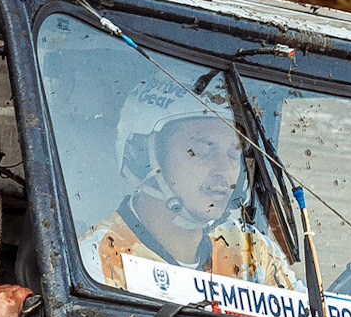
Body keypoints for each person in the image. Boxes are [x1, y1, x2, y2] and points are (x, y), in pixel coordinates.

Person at [79, 83, 298, 290]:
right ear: (143, 156)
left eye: (234, 154)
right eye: (202, 150)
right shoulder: (97, 260)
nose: (224, 170)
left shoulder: (251, 253)